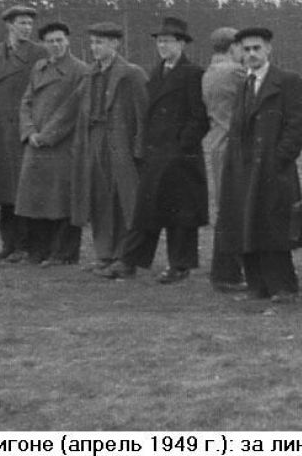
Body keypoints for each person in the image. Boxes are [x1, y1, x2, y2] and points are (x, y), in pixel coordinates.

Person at [103, 18, 210, 281]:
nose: (162, 46)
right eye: (159, 41)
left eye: (168, 41)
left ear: (182, 44)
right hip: (156, 154)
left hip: (181, 159)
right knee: (146, 210)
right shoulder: (156, 72)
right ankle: (129, 261)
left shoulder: (193, 73)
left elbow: (199, 117)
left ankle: (179, 266)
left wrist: (182, 145)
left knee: (180, 215)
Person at [215, 26, 302, 304]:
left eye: (257, 48)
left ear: (269, 49)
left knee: (274, 230)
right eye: (246, 49)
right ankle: (257, 286)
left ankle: (283, 287)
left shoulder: (287, 81)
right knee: (246, 226)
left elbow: (298, 125)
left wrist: (279, 158)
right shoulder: (245, 83)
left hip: (272, 170)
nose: (252, 54)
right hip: (244, 170)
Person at [69, 22, 148, 274]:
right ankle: (104, 254)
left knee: (123, 199)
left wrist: (139, 149)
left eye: (100, 42)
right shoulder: (90, 74)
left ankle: (125, 257)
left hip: (121, 144)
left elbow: (144, 114)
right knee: (99, 197)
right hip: (94, 140)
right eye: (92, 42)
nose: (94, 48)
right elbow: (75, 108)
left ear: (115, 44)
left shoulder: (131, 73)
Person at [0, 5, 49, 260]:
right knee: (3, 189)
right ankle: (8, 244)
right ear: (9, 25)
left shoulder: (39, 53)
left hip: (23, 128)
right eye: (22, 23)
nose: (27, 28)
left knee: (22, 187)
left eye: (29, 23)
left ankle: (24, 245)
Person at [14, 22, 90, 266]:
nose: (55, 45)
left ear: (68, 41)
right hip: (35, 144)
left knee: (62, 200)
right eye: (50, 41)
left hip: (62, 146)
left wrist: (46, 136)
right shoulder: (39, 67)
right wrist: (29, 132)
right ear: (44, 44)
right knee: (36, 199)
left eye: (59, 40)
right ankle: (39, 251)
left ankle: (63, 254)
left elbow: (72, 109)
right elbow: (26, 102)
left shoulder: (80, 70)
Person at [202, 26, 247, 291]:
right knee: (236, 208)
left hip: (217, 142)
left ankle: (225, 270)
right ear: (233, 47)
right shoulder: (235, 72)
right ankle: (231, 269)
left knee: (224, 205)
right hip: (234, 143)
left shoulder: (209, 72)